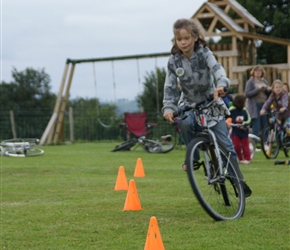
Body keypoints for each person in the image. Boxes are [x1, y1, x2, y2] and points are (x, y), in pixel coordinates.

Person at [161, 18, 251, 196]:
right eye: (179, 39)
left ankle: (238, 181)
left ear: (195, 36)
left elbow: (217, 69)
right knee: (185, 123)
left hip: (211, 101)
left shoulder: (204, 53)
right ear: (175, 41)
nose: (183, 42)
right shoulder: (173, 62)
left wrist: (221, 84)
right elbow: (170, 87)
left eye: (187, 38)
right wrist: (168, 107)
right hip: (188, 103)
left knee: (226, 146)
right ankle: (193, 156)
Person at [244, 65, 271, 146]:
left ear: (262, 72)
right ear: (253, 72)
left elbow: (268, 95)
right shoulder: (250, 82)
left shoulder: (265, 81)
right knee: (256, 125)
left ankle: (265, 144)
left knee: (265, 124)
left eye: (260, 71)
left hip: (264, 106)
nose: (258, 72)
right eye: (256, 71)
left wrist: (268, 90)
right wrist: (258, 89)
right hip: (255, 106)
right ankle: (254, 144)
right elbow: (247, 93)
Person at [228, 94, 252, 164]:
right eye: (245, 102)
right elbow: (228, 118)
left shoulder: (244, 110)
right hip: (235, 131)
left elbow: (249, 119)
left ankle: (247, 159)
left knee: (245, 145)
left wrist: (244, 124)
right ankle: (239, 158)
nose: (246, 103)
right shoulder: (232, 110)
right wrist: (229, 123)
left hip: (244, 131)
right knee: (236, 145)